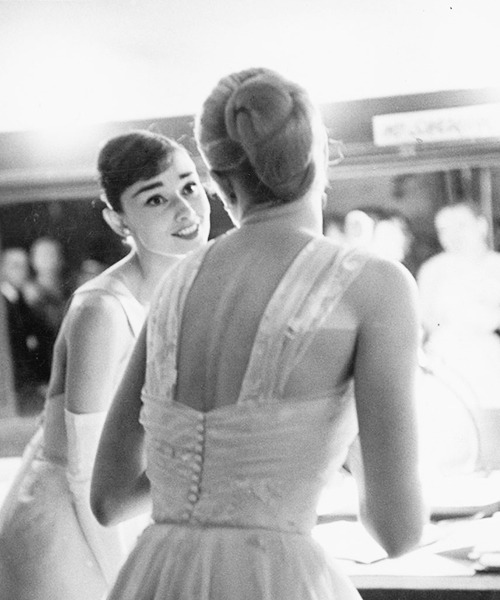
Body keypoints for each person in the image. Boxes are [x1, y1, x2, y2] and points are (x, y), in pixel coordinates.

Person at [91, 68, 425, 600]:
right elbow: (400, 531)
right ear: (317, 155)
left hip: (157, 576)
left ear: (220, 179)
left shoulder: (176, 283)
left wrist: (211, 471)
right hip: (273, 578)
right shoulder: (376, 285)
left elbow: (108, 500)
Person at [0, 130, 211, 600]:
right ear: (119, 222)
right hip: (67, 532)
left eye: (189, 186)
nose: (185, 210)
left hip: (125, 511)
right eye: (155, 199)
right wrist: (132, 583)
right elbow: (85, 474)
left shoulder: (189, 290)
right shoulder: (102, 311)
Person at [417, 200, 500, 469]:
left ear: (481, 225)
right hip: (445, 365)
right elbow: (426, 320)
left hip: (489, 365)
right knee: (449, 453)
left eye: (460, 226)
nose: (452, 235)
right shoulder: (433, 269)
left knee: (490, 447)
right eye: (444, 229)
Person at [0, 247, 52, 413]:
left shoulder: (22, 301)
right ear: (3, 269)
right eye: (15, 266)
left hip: (29, 385)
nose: (22, 271)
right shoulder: (5, 305)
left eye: (24, 266)